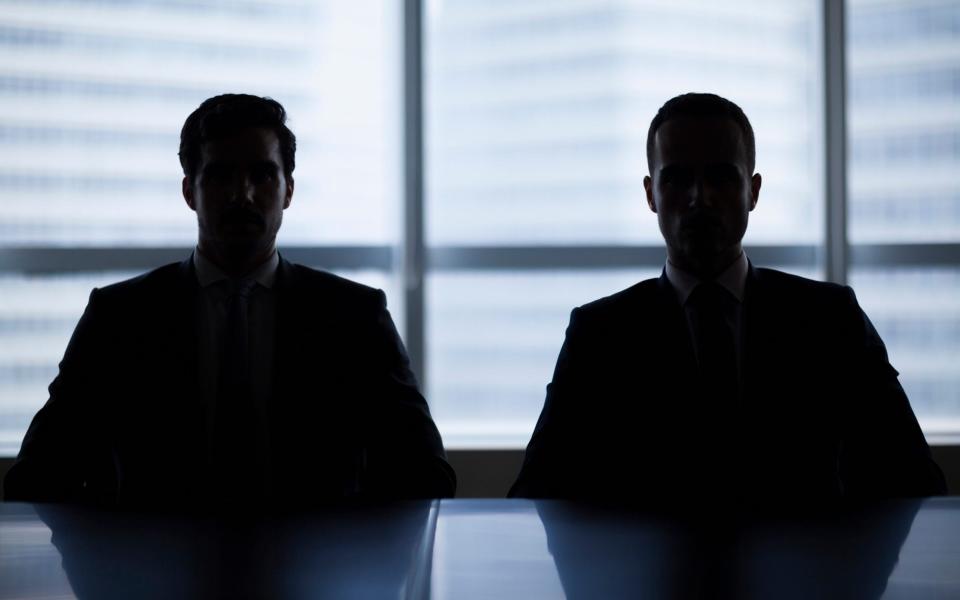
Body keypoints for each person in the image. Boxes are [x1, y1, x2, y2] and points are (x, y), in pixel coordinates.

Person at [4, 94, 455, 508]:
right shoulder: (121, 318)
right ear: (189, 192)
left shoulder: (353, 317)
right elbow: (40, 474)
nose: (243, 194)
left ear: (289, 191)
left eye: (262, 174)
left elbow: (425, 474)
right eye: (221, 175)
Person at [510, 92, 946, 503]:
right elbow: (537, 493)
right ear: (651, 195)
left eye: (720, 176)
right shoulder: (600, 335)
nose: (700, 199)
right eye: (678, 178)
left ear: (753, 191)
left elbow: (911, 477)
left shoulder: (831, 320)